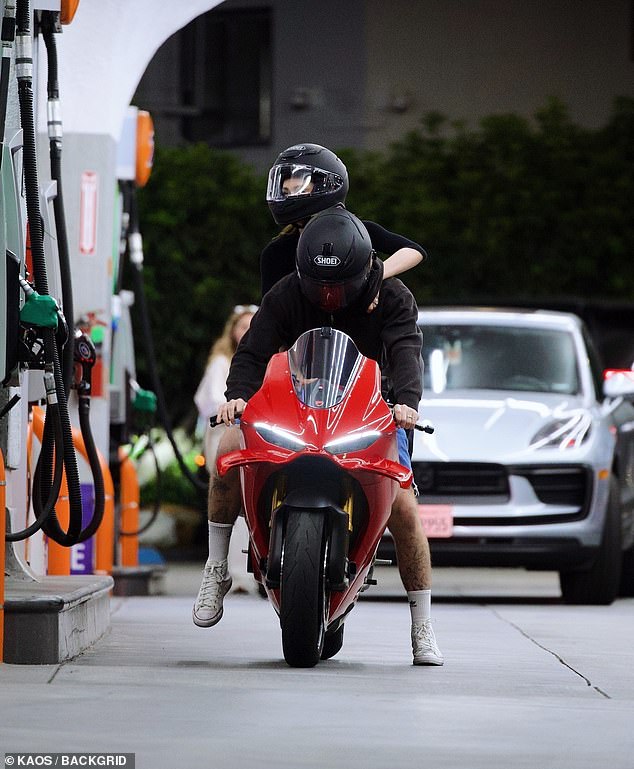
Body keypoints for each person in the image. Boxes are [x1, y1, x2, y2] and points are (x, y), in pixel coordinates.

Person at [193, 208, 443, 666]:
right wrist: (237, 398)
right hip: (294, 409)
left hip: (373, 413)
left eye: (340, 287)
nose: (328, 296)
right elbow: (252, 350)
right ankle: (215, 569)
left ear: (366, 272)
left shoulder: (393, 296)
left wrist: (407, 403)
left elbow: (407, 351)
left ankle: (421, 625)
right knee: (228, 453)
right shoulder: (288, 291)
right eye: (318, 286)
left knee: (404, 506)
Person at [261, 143, 426, 306]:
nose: (290, 197)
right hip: (305, 331)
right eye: (285, 192)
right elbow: (270, 309)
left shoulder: (359, 233)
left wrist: (376, 277)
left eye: (300, 189)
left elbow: (414, 251)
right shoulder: (276, 252)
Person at [193, 304, 258, 594]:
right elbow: (209, 400)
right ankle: (230, 571)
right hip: (225, 437)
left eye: (252, 326)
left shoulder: (267, 360)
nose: (246, 332)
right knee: (230, 501)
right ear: (232, 330)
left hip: (255, 438)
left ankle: (246, 572)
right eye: (242, 326)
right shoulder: (221, 362)